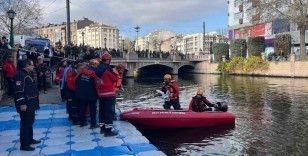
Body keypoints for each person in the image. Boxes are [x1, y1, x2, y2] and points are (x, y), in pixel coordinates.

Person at [14, 59, 41, 151]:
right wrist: (22, 104)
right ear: (27, 65)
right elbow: (19, 91)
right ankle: (24, 145)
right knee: (25, 124)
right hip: (25, 104)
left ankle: (30, 139)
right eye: (32, 65)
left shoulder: (28, 74)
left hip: (31, 104)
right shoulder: (20, 75)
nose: (33, 66)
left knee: (30, 122)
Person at [95, 52, 119, 136]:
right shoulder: (107, 69)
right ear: (108, 60)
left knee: (102, 111)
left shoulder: (97, 68)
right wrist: (115, 71)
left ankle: (102, 128)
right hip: (109, 93)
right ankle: (108, 131)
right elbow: (115, 79)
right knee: (108, 111)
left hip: (101, 93)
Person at [75, 62, 99, 128]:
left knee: (82, 108)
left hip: (81, 94)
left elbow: (75, 81)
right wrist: (97, 94)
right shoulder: (92, 74)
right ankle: (93, 124)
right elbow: (96, 84)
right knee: (93, 109)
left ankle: (82, 123)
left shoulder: (80, 74)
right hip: (91, 94)